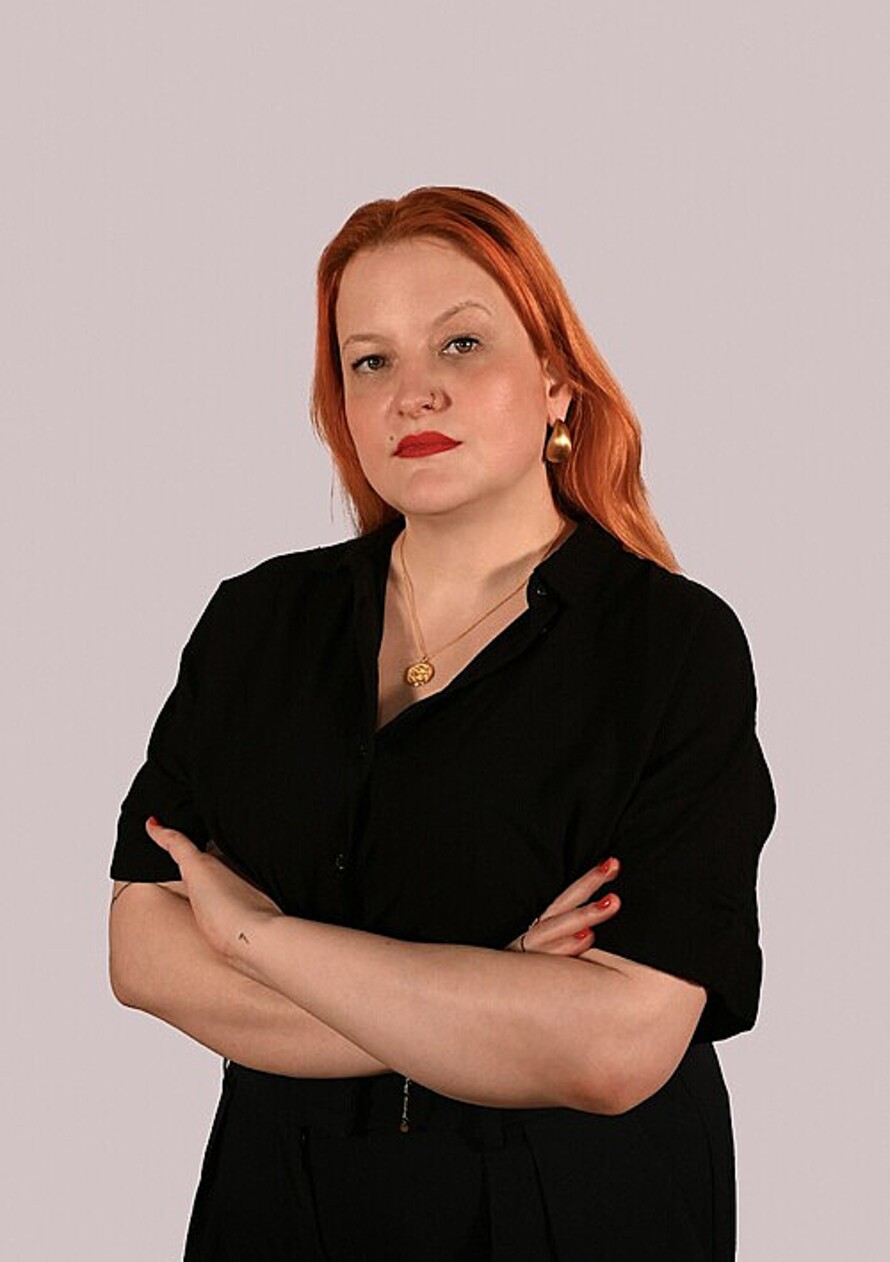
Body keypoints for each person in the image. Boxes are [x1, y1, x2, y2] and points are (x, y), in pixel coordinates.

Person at [108, 186, 776, 1261]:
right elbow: (142, 949)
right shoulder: (257, 621)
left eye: (460, 343)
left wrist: (252, 940)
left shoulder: (669, 645)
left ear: (554, 380)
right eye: (368, 360)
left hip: (571, 1214)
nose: (411, 392)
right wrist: (494, 990)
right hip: (279, 1206)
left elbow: (613, 1048)